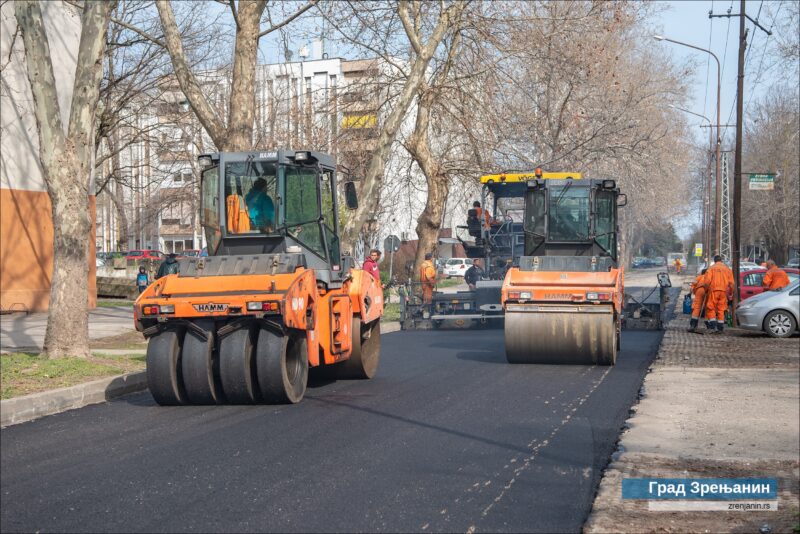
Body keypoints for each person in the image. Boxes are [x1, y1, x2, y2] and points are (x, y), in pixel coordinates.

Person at [703, 255, 734, 334]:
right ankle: (720, 327)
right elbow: (732, 283)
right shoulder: (727, 269)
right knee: (721, 309)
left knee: (711, 308)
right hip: (723, 291)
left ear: (715, 260)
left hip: (713, 291)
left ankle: (713, 326)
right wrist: (730, 292)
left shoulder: (711, 269)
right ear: (721, 260)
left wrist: (706, 290)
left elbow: (706, 282)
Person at [687, 268, 709, 333]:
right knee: (708, 307)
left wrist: (690, 293)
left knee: (697, 307)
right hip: (708, 292)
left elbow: (692, 286)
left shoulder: (698, 277)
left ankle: (693, 325)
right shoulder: (710, 277)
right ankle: (709, 324)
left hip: (700, 291)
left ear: (702, 273)